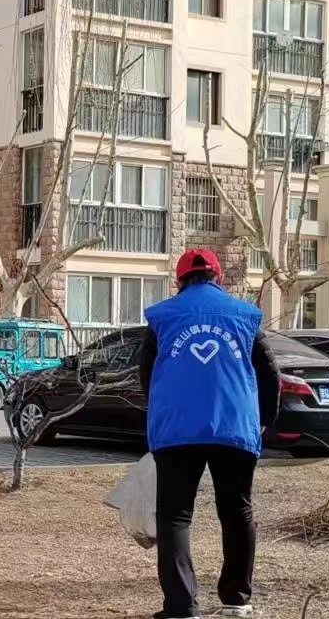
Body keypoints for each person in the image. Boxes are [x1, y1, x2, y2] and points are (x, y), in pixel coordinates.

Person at [138, 248, 279, 619]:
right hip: (234, 427)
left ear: (179, 280)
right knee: (237, 510)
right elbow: (270, 373)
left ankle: (182, 607)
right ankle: (236, 598)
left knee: (175, 516)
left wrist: (160, 412)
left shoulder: (163, 317)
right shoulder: (246, 316)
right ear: (219, 277)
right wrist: (264, 418)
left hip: (177, 429)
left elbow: (146, 373)